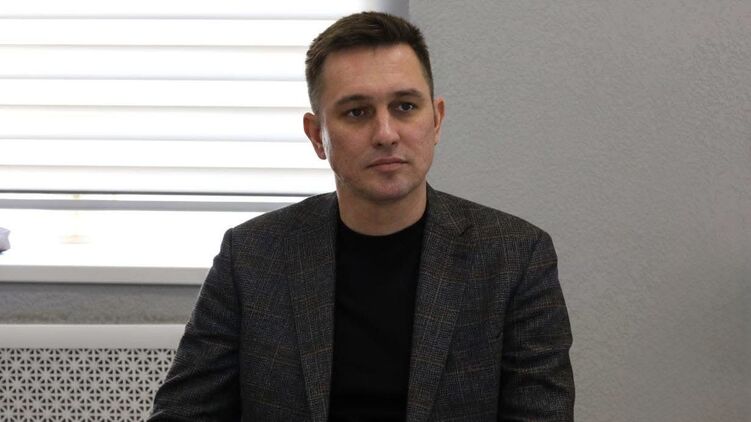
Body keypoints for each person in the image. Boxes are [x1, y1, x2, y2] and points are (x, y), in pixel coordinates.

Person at [149, 11, 574, 422]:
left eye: (405, 106)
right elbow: (183, 414)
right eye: (357, 112)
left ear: (436, 121)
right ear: (317, 136)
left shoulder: (515, 258)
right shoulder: (250, 256)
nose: (386, 134)